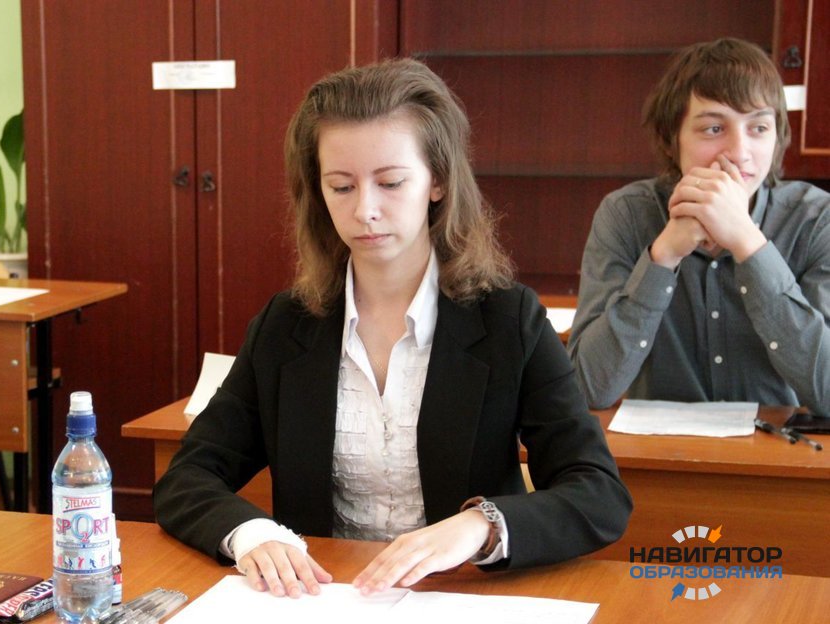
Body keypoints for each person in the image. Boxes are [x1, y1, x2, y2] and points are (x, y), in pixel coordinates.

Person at [154, 58, 631, 599]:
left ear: (438, 181)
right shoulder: (285, 326)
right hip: (327, 598)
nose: (366, 210)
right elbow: (187, 477)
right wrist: (250, 534)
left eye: (391, 182)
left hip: (460, 596)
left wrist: (480, 527)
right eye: (341, 186)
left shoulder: (508, 319)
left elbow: (598, 493)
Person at [569, 38, 830, 412]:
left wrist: (747, 242)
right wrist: (662, 256)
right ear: (671, 139)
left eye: (758, 128)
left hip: (776, 447)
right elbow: (587, 389)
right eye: (713, 129)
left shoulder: (817, 220)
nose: (739, 152)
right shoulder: (626, 214)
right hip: (660, 448)